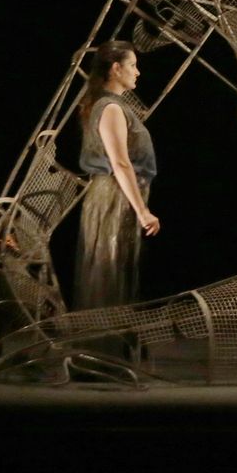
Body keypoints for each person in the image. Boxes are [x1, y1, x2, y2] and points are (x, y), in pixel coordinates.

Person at [75, 41, 161, 312]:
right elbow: (120, 163)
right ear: (116, 69)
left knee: (114, 272)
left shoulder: (110, 105)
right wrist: (143, 211)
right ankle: (104, 334)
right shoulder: (110, 108)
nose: (137, 72)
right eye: (132, 65)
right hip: (114, 195)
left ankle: (111, 331)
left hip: (116, 193)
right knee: (109, 274)